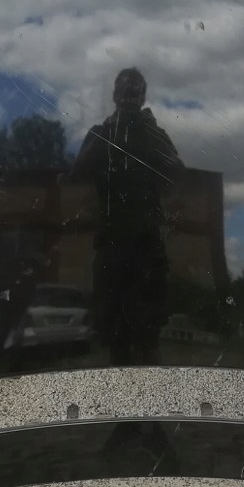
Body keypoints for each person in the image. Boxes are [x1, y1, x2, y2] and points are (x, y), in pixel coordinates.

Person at [70, 68, 184, 364]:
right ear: (115, 96)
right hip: (112, 243)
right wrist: (107, 133)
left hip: (147, 246)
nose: (131, 94)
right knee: (115, 339)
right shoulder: (100, 132)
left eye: (136, 91)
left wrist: (152, 134)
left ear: (143, 97)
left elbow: (176, 176)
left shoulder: (154, 134)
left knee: (148, 336)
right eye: (125, 90)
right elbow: (77, 173)